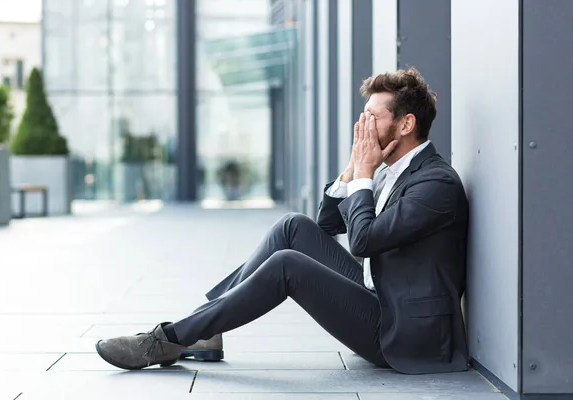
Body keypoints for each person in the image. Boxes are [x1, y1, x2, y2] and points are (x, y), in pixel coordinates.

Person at [95, 67, 470, 374]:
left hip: (405, 333)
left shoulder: (435, 183)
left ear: (406, 125)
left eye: (372, 118)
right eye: (363, 117)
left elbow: (362, 241)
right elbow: (325, 225)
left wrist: (365, 174)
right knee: (294, 227)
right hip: (380, 296)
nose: (363, 128)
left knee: (287, 265)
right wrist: (354, 169)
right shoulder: (390, 170)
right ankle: (204, 329)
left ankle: (171, 338)